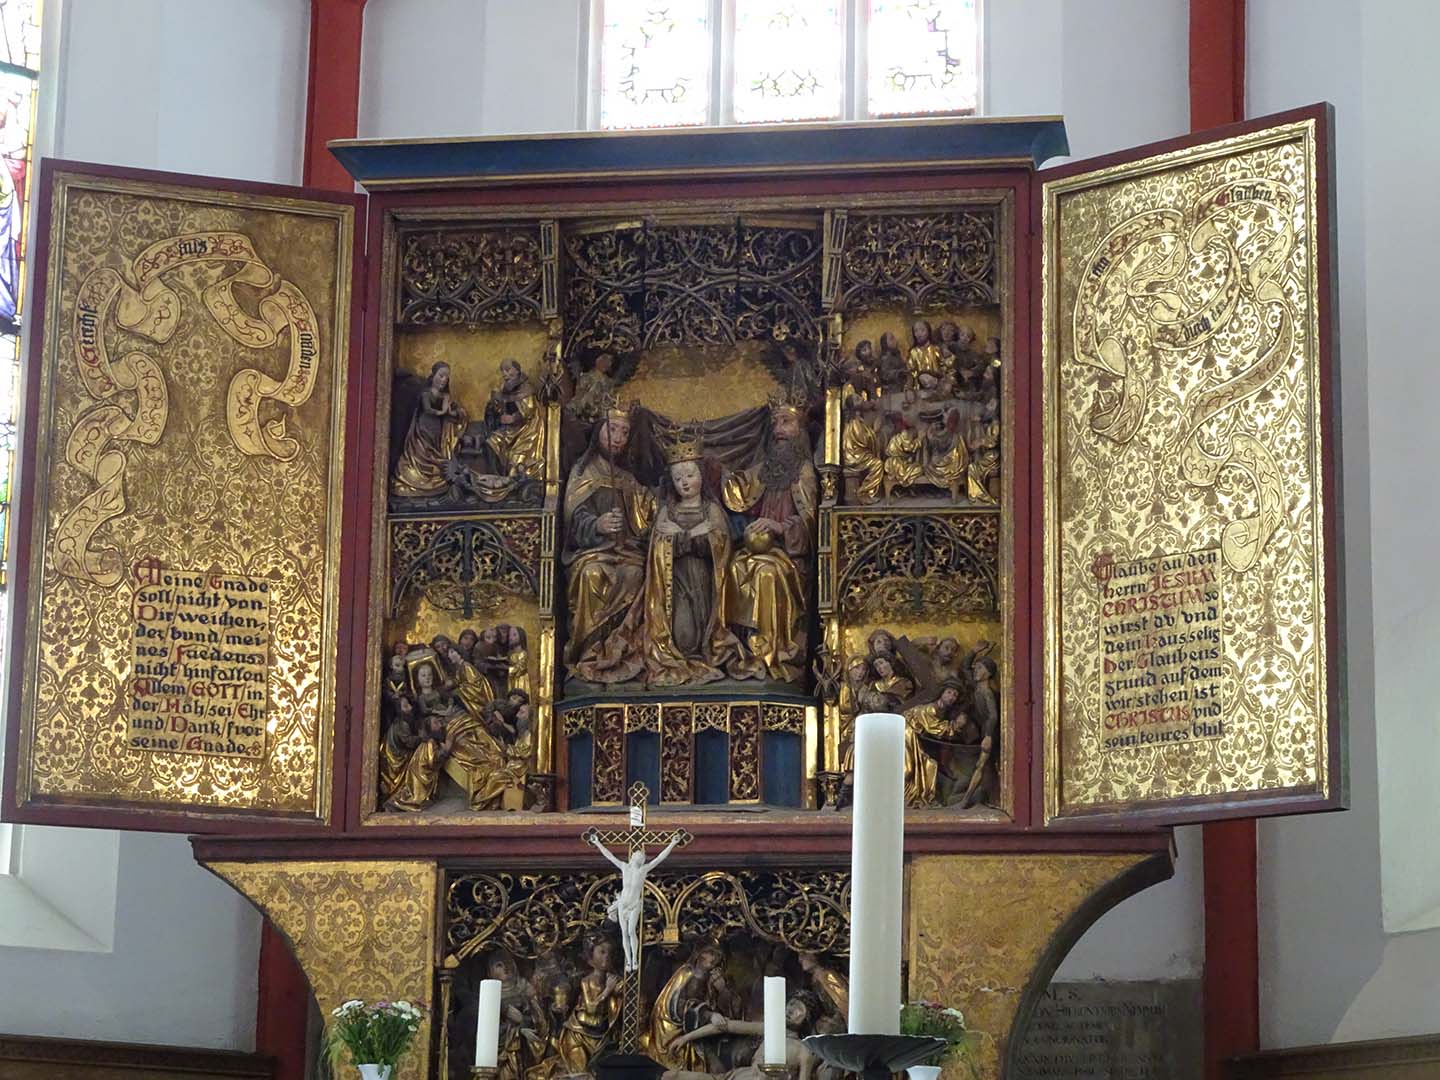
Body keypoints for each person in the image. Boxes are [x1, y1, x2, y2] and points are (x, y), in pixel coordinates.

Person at [634, 436, 748, 688]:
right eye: (678, 478)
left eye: (689, 475)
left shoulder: (711, 510)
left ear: (701, 477)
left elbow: (721, 544)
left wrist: (685, 536)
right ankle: (685, 655)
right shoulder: (668, 511)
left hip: (705, 581)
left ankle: (703, 653)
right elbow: (658, 546)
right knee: (683, 631)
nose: (684, 482)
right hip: (676, 582)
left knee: (703, 626)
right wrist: (692, 534)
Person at [722, 400, 816, 683]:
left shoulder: (805, 472)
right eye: (775, 423)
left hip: (789, 556)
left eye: (786, 422)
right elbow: (738, 488)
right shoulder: (766, 469)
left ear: (801, 430)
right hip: (758, 548)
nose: (778, 430)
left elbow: (812, 522)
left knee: (766, 573)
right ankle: (744, 648)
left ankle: (770, 649)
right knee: (734, 568)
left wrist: (780, 527)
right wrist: (715, 470)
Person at [561, 406, 654, 684]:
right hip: (591, 552)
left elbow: (646, 512)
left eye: (624, 432)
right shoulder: (583, 472)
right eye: (612, 429)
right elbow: (573, 517)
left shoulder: (627, 478)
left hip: (626, 552)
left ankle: (622, 651)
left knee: (637, 574)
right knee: (593, 574)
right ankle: (589, 652)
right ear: (598, 431)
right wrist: (596, 525)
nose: (618, 438)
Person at [662, 990, 821, 1080]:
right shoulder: (769, 1030)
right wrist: (685, 1038)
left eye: (799, 1008)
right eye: (791, 1004)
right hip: (738, 1077)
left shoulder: (804, 1051)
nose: (791, 1010)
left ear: (807, 1019)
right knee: (672, 1076)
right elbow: (724, 1027)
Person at [588, 833, 682, 973]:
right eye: (637, 857)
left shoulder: (643, 870)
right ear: (632, 857)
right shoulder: (624, 867)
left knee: (632, 932)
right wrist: (597, 843)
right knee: (625, 933)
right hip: (623, 904)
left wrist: (672, 844)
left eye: (641, 858)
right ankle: (628, 960)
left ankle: (634, 960)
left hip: (634, 904)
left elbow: (660, 858)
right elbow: (610, 856)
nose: (638, 859)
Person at [393, 361, 467, 497]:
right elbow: (428, 409)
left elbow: (447, 410)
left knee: (435, 450)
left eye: (446, 377)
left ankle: (434, 477)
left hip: (437, 427)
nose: (444, 380)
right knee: (422, 449)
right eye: (441, 376)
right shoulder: (426, 393)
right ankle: (418, 476)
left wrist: (456, 413)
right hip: (423, 425)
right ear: (433, 376)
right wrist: (441, 412)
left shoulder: (445, 396)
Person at [558, 934, 622, 1073]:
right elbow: (591, 1008)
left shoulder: (612, 979)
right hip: (580, 1033)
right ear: (591, 957)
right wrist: (607, 990)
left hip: (603, 1033)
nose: (607, 956)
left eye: (610, 953)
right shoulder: (587, 981)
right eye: (602, 952)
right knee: (581, 1072)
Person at [486, 358, 546, 478]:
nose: (505, 374)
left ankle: (513, 480)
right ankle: (498, 477)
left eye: (508, 370)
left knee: (516, 462)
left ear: (517, 370)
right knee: (492, 443)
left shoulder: (526, 389)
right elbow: (500, 409)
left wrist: (513, 418)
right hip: (509, 431)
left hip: (526, 431)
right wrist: (495, 404)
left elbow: (529, 411)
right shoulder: (504, 389)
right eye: (502, 371)